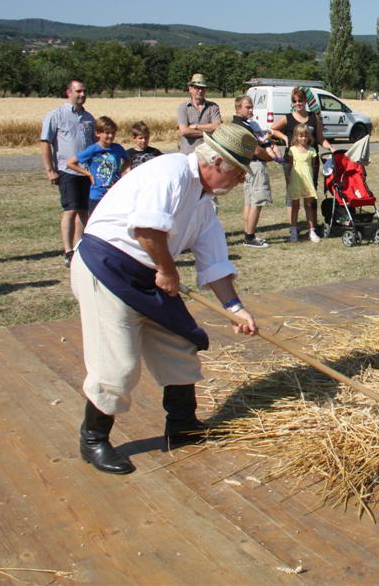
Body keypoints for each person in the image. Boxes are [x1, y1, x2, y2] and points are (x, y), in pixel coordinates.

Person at [71, 123, 258, 474]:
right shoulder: (169, 173)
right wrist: (168, 271)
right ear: (216, 162)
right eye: (238, 173)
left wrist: (235, 308)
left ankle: (182, 426)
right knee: (118, 365)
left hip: (150, 273)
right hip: (107, 267)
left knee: (179, 343)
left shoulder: (204, 204)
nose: (240, 181)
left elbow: (214, 261)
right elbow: (147, 231)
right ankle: (93, 438)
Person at [41, 79, 96, 267]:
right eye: (78, 91)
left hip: (86, 171)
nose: (82, 95)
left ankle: (79, 247)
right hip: (67, 170)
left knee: (83, 210)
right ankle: (67, 251)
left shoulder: (89, 118)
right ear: (68, 92)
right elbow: (45, 143)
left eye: (84, 91)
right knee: (70, 209)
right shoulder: (55, 115)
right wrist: (50, 170)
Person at [270, 87, 329, 227]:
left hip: (310, 161)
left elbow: (321, 138)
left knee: (311, 192)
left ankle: (313, 227)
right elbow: (272, 129)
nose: (297, 103)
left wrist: (330, 147)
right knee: (292, 193)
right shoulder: (288, 118)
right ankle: (293, 228)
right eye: (294, 101)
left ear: (305, 101)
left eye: (300, 100)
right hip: (292, 161)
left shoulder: (314, 117)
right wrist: (284, 137)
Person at [232, 95, 278, 248]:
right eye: (247, 107)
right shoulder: (243, 127)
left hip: (247, 166)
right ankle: (250, 237)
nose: (251, 110)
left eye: (252, 107)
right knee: (257, 200)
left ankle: (248, 233)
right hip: (255, 165)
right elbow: (257, 150)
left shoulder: (243, 124)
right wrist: (270, 158)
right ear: (238, 109)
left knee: (249, 201)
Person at [66, 116, 128, 216]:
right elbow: (70, 163)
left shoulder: (118, 148)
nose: (111, 136)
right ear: (97, 133)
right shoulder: (93, 149)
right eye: (107, 133)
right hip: (97, 194)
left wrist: (120, 172)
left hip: (114, 193)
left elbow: (128, 160)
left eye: (113, 133)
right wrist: (89, 174)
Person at [284, 124, 321, 243]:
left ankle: (312, 231)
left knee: (309, 206)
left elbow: (313, 165)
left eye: (305, 136)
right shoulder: (292, 150)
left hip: (307, 182)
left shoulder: (312, 150)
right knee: (295, 206)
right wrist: (288, 179)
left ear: (309, 137)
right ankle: (293, 230)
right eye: (300, 136)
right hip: (296, 181)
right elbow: (289, 166)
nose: (303, 139)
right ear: (296, 137)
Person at [177, 73, 221, 155]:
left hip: (208, 155)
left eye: (203, 88)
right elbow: (184, 131)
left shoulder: (213, 107)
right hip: (188, 154)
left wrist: (196, 127)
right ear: (190, 89)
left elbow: (217, 127)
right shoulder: (183, 107)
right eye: (197, 88)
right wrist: (208, 134)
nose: (200, 91)